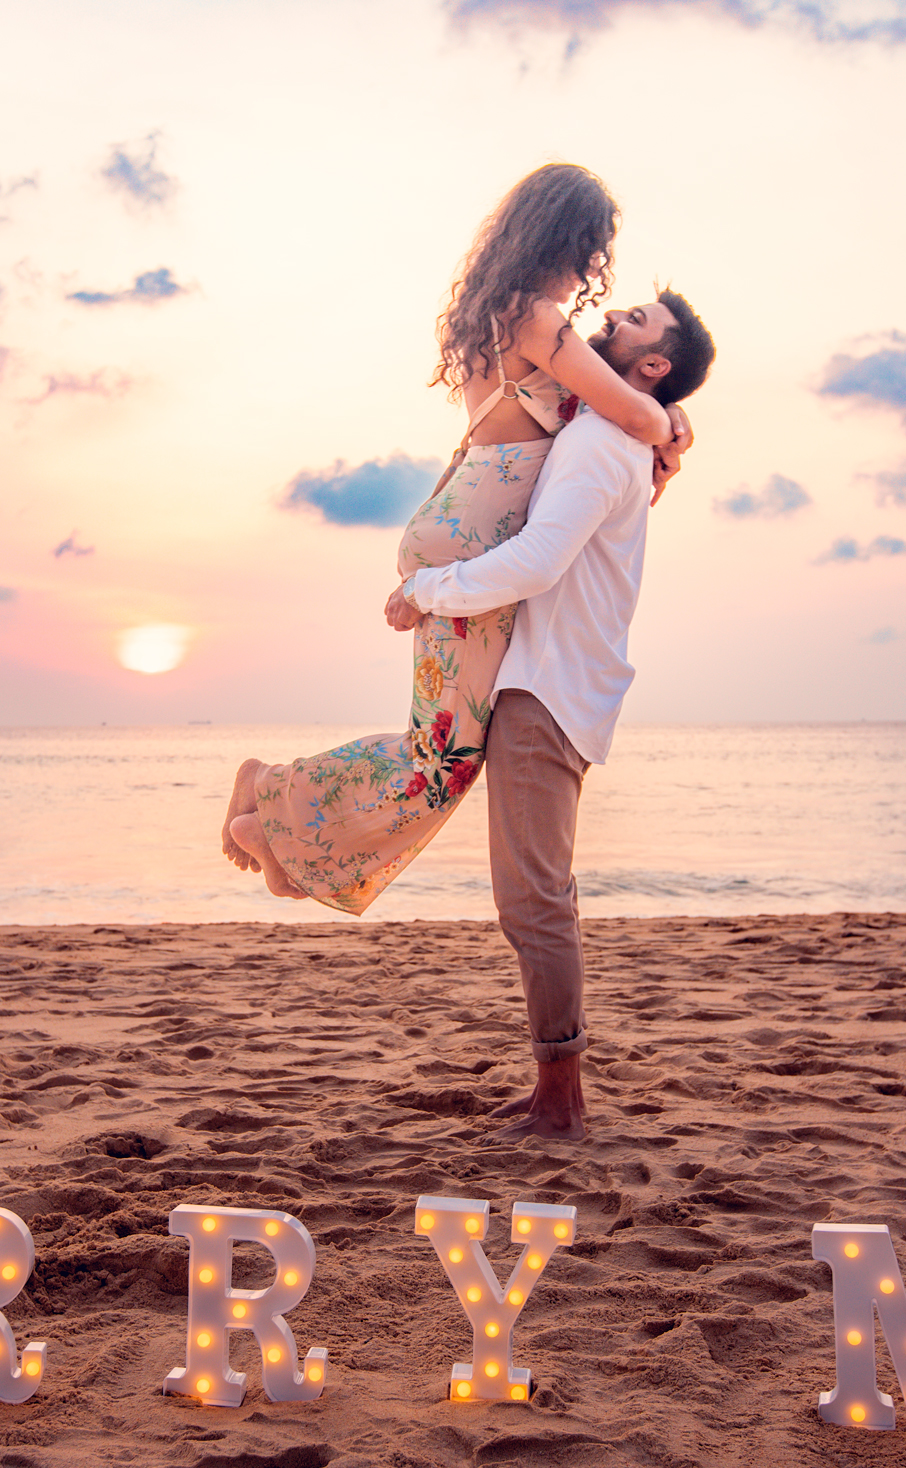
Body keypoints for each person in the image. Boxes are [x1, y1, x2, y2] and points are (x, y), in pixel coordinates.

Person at [221, 164, 690, 914]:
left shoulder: (505, 311)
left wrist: (669, 416)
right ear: (569, 238)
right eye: (594, 249)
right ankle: (272, 794)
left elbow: (619, 404)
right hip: (474, 537)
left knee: (443, 751)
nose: (594, 270)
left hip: (464, 521)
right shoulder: (536, 316)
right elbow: (634, 415)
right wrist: (673, 424)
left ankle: (283, 839)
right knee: (442, 758)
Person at [385, 289, 716, 1139]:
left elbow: (537, 561)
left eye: (633, 321)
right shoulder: (608, 429)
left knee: (532, 899)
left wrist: (427, 592)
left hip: (549, 685)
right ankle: (552, 1088)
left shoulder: (602, 443)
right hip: (552, 680)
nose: (610, 318)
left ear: (654, 365)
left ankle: (562, 1099)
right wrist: (672, 427)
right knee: (535, 894)